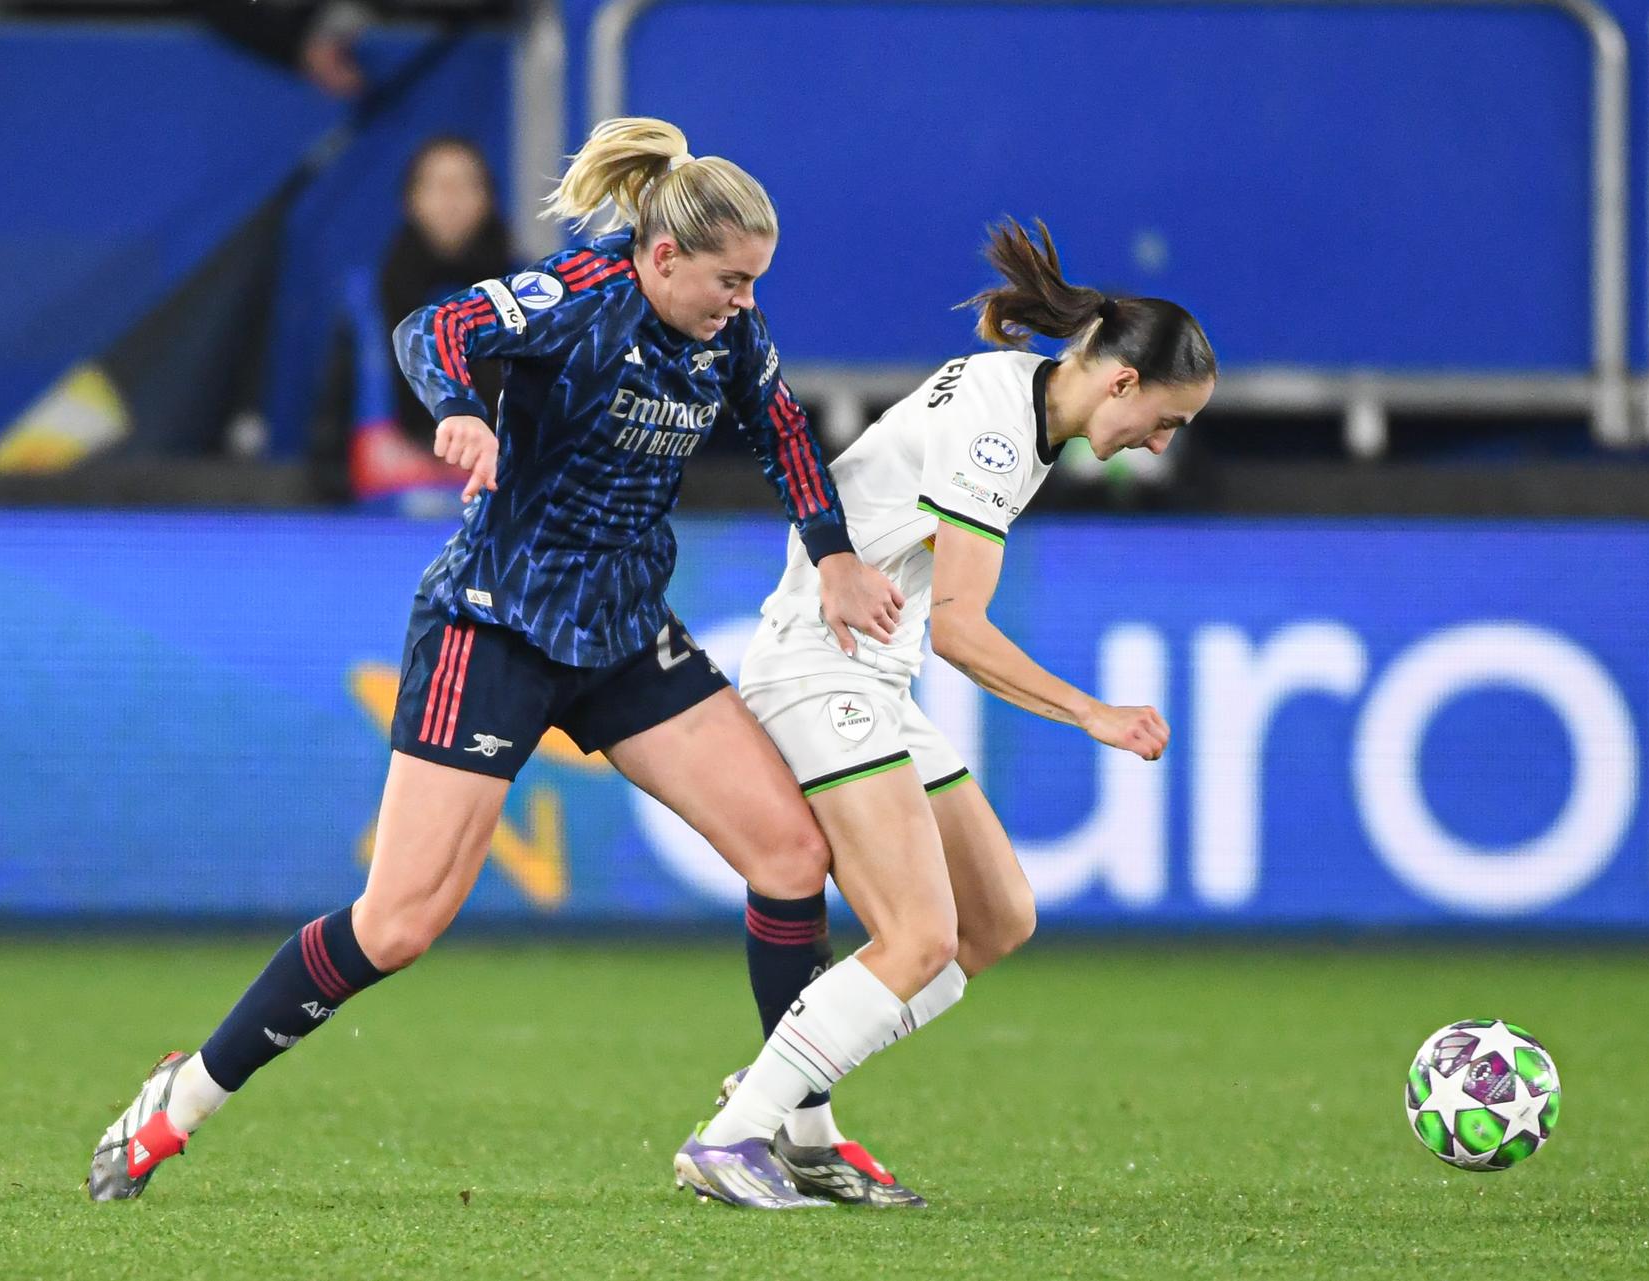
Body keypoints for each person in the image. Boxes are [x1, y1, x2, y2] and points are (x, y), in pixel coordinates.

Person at [85, 117, 902, 1210]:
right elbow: (436, 324)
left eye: (755, 280)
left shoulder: (728, 334)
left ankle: (798, 1126)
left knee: (792, 856)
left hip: (618, 631)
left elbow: (784, 428)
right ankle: (182, 1096)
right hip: (496, 626)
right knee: (400, 923)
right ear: (662, 257)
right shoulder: (576, 296)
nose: (745, 300)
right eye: (730, 278)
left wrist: (834, 553)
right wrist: (461, 411)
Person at [675, 219, 1216, 1208]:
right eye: (1167, 420)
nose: (1162, 443)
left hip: (873, 673)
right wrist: (1088, 713)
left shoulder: (1020, 402)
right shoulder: (1003, 433)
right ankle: (734, 1138)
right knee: (919, 935)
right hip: (819, 668)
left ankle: (786, 1099)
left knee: (996, 918)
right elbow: (963, 628)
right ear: (1123, 382)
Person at [314, 135, 515, 503]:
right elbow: (332, 428)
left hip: (499, 502)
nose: (451, 200)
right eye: (438, 186)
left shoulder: (526, 295)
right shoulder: (367, 297)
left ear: (488, 198)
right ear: (410, 200)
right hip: (383, 506)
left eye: (466, 185)